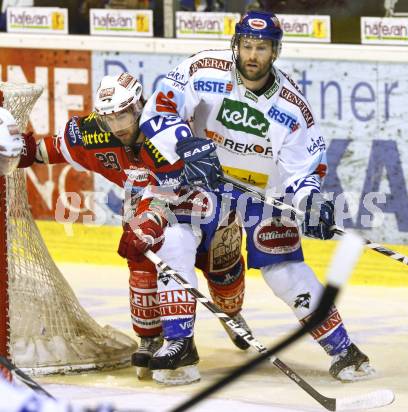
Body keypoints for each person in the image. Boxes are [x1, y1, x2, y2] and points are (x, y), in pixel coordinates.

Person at [139, 10, 375, 381]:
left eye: (261, 48)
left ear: (275, 52)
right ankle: (180, 345)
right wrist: (186, 145)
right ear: (236, 45)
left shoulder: (292, 107)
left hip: (263, 193)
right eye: (246, 45)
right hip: (204, 181)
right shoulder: (204, 69)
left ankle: (345, 351)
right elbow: (157, 110)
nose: (252, 55)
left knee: (285, 272)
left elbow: (304, 170)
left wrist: (309, 200)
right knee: (174, 239)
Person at [0, 72, 252, 385]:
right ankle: (154, 338)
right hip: (156, 206)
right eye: (109, 118)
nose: (117, 126)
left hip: (205, 203)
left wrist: (149, 222)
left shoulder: (163, 128)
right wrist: (14, 150)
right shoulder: (90, 133)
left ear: (138, 106)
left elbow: (174, 187)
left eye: (123, 115)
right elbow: (45, 150)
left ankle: (231, 312)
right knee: (143, 262)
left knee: (224, 274)